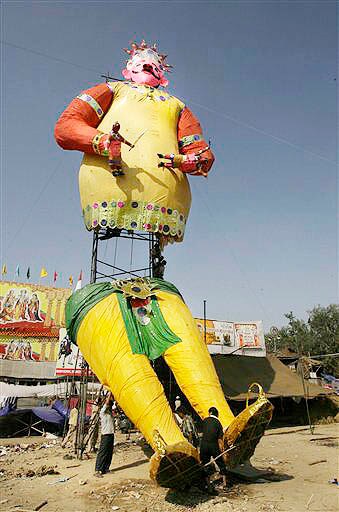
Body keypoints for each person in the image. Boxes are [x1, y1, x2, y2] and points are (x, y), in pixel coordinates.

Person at [200, 407, 227, 489]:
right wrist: (223, 452)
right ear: (217, 414)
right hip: (213, 446)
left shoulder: (205, 420)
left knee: (205, 464)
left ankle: (207, 484)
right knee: (221, 464)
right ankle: (224, 483)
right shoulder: (218, 423)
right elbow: (220, 440)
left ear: (210, 413)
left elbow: (203, 433)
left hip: (203, 446)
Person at [94, 392, 115, 477]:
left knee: (109, 452)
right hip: (105, 435)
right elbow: (106, 403)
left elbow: (110, 403)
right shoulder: (102, 412)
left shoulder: (109, 413)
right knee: (102, 452)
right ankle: (98, 470)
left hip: (110, 434)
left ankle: (106, 468)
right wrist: (110, 393)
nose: (109, 406)